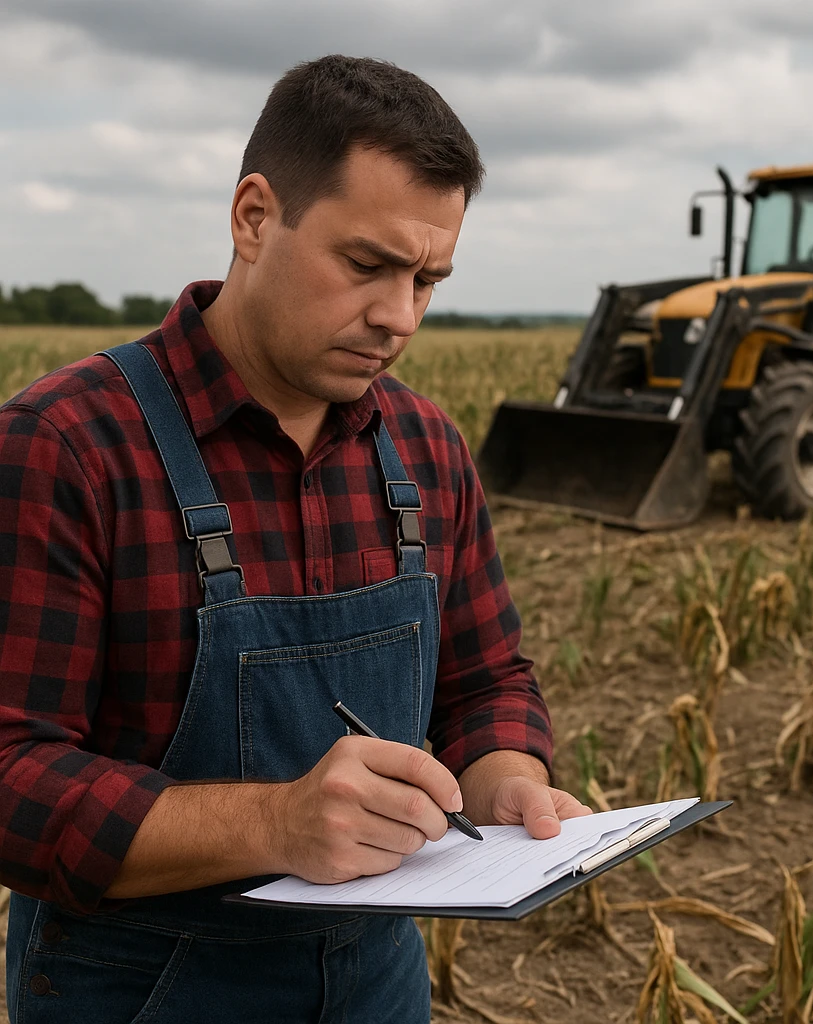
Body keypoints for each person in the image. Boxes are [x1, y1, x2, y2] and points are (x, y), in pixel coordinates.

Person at [0, 55, 589, 1023]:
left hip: (378, 979)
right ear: (254, 218)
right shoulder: (68, 447)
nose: (399, 317)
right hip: (140, 987)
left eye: (428, 280)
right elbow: (12, 773)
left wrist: (508, 782)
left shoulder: (428, 449)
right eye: (366, 266)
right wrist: (277, 821)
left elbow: (488, 681)